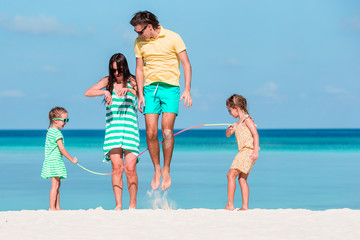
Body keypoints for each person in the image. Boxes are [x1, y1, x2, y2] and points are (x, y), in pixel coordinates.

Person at [130, 11, 192, 191]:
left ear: (149, 26)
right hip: (149, 89)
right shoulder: (139, 42)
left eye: (140, 31)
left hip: (170, 88)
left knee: (166, 131)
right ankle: (156, 168)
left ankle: (166, 168)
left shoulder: (173, 37)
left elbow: (186, 64)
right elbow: (139, 70)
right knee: (150, 133)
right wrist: (140, 94)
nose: (138, 35)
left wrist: (187, 89)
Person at [85, 53, 140, 210]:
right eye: (114, 70)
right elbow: (88, 92)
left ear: (125, 68)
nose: (117, 73)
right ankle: (118, 204)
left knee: (131, 169)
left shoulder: (133, 81)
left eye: (119, 70)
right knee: (117, 168)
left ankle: (133, 205)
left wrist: (129, 91)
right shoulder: (107, 81)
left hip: (130, 130)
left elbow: (143, 97)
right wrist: (104, 92)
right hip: (113, 131)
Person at [224, 94, 259, 210]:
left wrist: (255, 151)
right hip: (246, 152)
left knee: (230, 175)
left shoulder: (246, 120)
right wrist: (229, 130)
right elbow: (228, 135)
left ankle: (230, 204)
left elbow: (255, 134)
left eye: (230, 111)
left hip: (247, 151)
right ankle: (245, 207)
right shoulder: (236, 124)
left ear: (236, 108)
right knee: (242, 179)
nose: (230, 114)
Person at [41, 107, 78, 211]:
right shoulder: (57, 133)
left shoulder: (50, 131)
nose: (66, 123)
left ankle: (57, 206)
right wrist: (72, 159)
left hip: (50, 161)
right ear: (56, 120)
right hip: (54, 161)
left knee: (57, 184)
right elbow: (62, 149)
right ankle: (52, 207)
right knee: (55, 185)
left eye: (67, 120)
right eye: (64, 120)